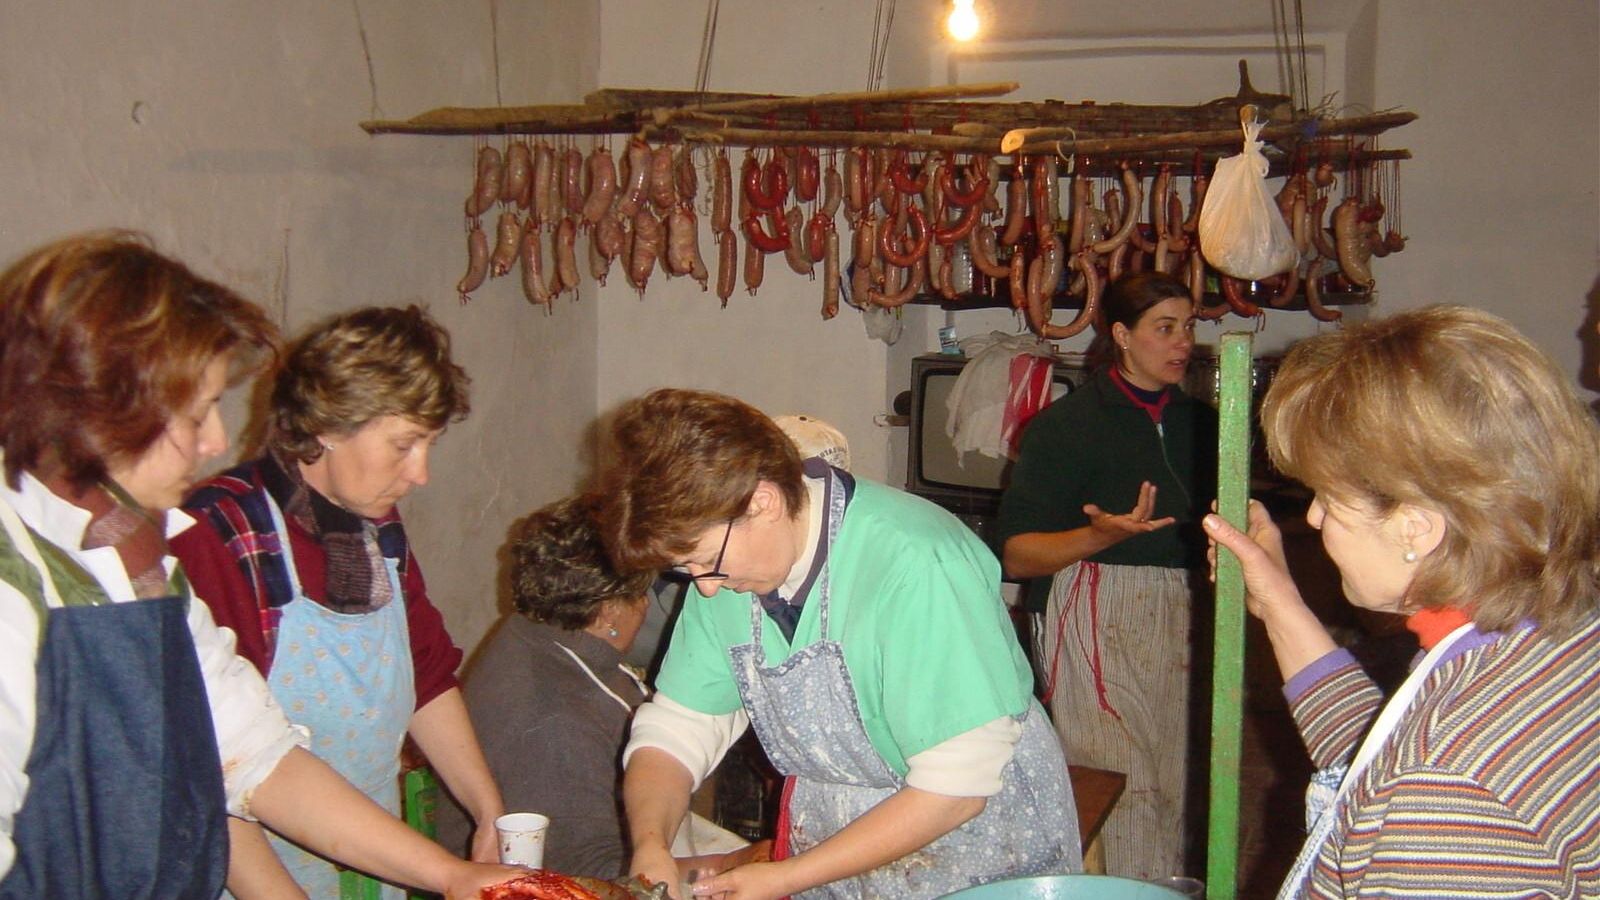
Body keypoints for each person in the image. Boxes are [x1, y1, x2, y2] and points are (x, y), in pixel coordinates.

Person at [0, 230, 520, 898]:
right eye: (195, 415)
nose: (216, 439)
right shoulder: (21, 585)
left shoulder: (141, 565)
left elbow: (257, 756)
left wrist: (454, 876)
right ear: (98, 408)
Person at [594, 388, 1082, 900]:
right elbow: (681, 726)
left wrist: (786, 877)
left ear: (763, 501)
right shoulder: (723, 568)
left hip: (975, 844)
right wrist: (651, 846)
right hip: (832, 844)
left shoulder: (918, 561)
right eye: (683, 568)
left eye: (704, 562)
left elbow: (957, 787)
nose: (705, 587)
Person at [1203, 306, 1600, 898]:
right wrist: (1279, 601)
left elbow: (1423, 778)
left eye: (1328, 501)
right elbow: (1380, 756)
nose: (1312, 518)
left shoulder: (1451, 798)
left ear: (1415, 527)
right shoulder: (1548, 631)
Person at [172, 305, 505, 895]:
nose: (421, 472)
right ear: (327, 425)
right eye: (404, 445)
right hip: (255, 874)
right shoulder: (220, 534)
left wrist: (486, 810)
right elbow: (206, 770)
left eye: (429, 444)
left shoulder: (373, 528)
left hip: (369, 856)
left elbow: (425, 674)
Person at [993, 270, 1216, 879]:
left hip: (1186, 616)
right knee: (1124, 788)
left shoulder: (1207, 425)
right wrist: (1099, 535)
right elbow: (1015, 555)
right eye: (1164, 328)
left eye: (1188, 326)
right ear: (1121, 334)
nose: (1182, 342)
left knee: (1183, 783)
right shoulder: (1068, 428)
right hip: (1095, 612)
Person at [436, 495, 757, 879]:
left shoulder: (527, 634)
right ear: (609, 612)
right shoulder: (563, 722)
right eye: (640, 594)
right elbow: (598, 876)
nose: (644, 606)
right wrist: (726, 866)